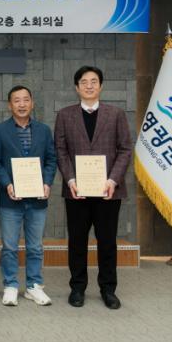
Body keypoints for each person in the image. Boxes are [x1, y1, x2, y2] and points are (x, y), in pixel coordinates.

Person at [55, 66, 132, 310]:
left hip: (108, 191)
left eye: (94, 81)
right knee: (77, 241)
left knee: (107, 242)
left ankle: (108, 289)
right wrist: (70, 179)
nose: (89, 85)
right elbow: (60, 151)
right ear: (76, 87)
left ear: (101, 86)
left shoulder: (116, 114)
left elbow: (125, 149)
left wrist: (113, 180)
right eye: (84, 82)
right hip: (76, 191)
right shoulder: (64, 115)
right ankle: (77, 288)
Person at [0, 85, 56, 307]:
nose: (21, 104)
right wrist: (7, 184)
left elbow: (51, 160)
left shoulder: (44, 130)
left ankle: (33, 286)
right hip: (9, 199)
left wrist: (47, 183)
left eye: (26, 99)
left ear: (32, 103)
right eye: (16, 100)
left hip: (37, 200)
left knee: (35, 246)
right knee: (9, 246)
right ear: (10, 105)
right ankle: (10, 285)